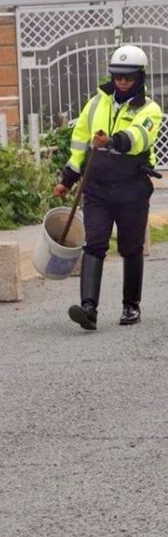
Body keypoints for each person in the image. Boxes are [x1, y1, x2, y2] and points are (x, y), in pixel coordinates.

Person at [54, 44, 163, 329]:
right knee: (95, 244)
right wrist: (67, 179)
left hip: (132, 188)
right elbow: (79, 145)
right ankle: (88, 309)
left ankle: (131, 306)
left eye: (128, 76)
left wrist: (113, 141)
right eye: (118, 76)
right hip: (98, 188)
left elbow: (139, 136)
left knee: (131, 247)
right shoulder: (95, 103)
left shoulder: (150, 108)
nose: (122, 81)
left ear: (140, 77)